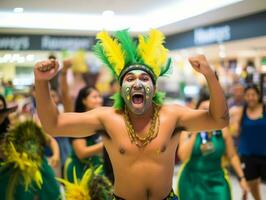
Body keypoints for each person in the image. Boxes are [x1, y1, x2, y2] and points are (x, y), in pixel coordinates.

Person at [34, 29, 229, 199]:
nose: (137, 83)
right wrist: (42, 82)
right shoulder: (107, 118)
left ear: (153, 89)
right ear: (120, 89)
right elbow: (53, 124)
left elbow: (219, 120)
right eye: (129, 78)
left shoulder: (172, 116)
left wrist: (210, 76)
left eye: (145, 78)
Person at [177, 94, 249, 200]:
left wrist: (241, 178)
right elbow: (183, 157)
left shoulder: (223, 130)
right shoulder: (187, 131)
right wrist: (196, 130)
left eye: (210, 110)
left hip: (217, 179)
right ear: (196, 111)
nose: (207, 114)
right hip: (191, 181)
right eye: (203, 109)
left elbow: (232, 155)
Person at [230, 84, 266, 200]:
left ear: (258, 96)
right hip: (247, 154)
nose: (251, 97)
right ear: (245, 97)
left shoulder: (264, 109)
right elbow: (234, 132)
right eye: (248, 95)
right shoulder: (240, 112)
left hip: (264, 153)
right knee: (251, 183)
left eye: (253, 95)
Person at [64, 86, 104, 182]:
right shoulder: (79, 122)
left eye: (99, 96)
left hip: (97, 169)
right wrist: (107, 144)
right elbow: (81, 152)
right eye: (94, 97)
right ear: (84, 101)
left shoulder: (101, 120)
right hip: (80, 172)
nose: (99, 100)